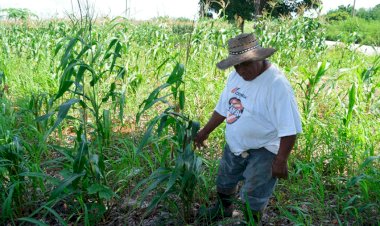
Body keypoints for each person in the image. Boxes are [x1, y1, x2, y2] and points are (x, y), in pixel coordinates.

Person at [195, 33, 302, 224]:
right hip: (235, 143)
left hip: (265, 148)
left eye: (246, 63)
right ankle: (223, 209)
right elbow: (222, 108)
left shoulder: (277, 85)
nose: (241, 70)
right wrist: (204, 132)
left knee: (254, 191)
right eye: (237, 65)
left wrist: (281, 160)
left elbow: (289, 128)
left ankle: (251, 221)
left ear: (260, 58)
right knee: (225, 181)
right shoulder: (234, 77)